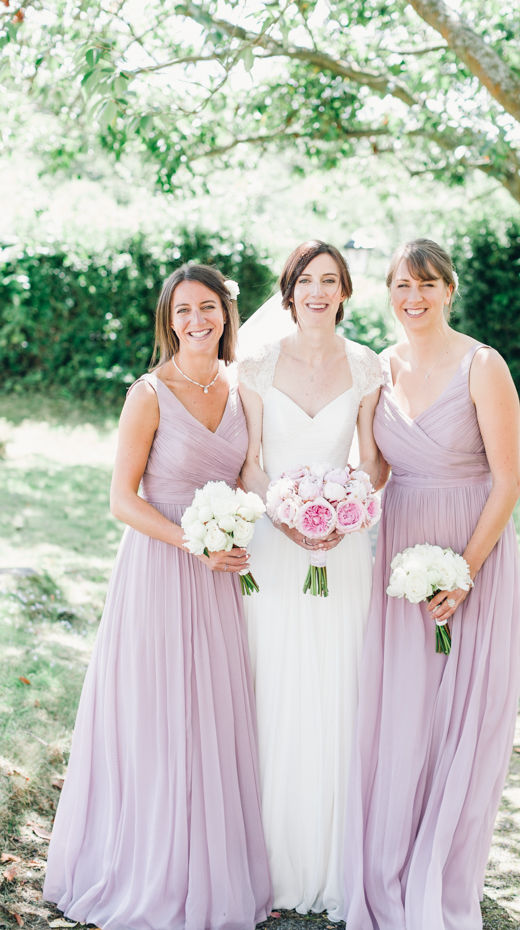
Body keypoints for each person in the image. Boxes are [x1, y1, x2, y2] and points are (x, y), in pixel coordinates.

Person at [44, 264, 272, 930]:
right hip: (160, 566)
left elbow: (252, 475)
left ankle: (210, 866)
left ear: (227, 314)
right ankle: (145, 865)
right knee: (158, 715)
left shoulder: (242, 387)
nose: (196, 320)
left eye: (208, 307)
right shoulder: (149, 393)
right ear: (167, 320)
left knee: (213, 717)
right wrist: (188, 541)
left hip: (222, 575)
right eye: (182, 311)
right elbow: (121, 500)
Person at [344, 238, 520, 930]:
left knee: (461, 716)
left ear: (449, 289)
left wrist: (468, 571)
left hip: (471, 544)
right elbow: (379, 471)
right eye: (400, 286)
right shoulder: (378, 371)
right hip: (400, 548)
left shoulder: (484, 365)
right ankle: (391, 864)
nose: (412, 298)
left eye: (425, 284)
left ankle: (443, 871)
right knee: (404, 711)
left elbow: (507, 481)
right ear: (388, 294)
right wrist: (337, 509)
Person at [237, 240, 384, 920]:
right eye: (306, 280)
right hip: (276, 543)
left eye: (330, 280)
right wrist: (288, 512)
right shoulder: (258, 362)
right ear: (288, 290)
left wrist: (348, 503)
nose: (318, 291)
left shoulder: (367, 364)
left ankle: (333, 860)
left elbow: (376, 463)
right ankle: (267, 857)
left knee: (337, 686)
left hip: (343, 547)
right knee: (276, 684)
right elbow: (248, 465)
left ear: (345, 291)